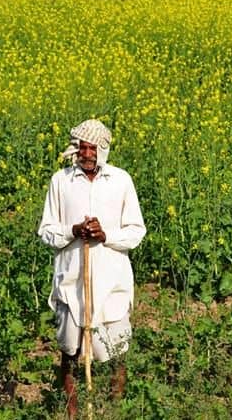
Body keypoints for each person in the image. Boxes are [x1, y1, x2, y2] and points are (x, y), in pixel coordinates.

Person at [37, 119, 146, 418]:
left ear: (103, 150)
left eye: (91, 148)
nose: (86, 153)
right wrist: (73, 230)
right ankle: (72, 412)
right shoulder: (61, 181)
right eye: (81, 147)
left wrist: (105, 235)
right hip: (71, 281)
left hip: (112, 283)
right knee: (69, 351)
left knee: (116, 352)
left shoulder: (122, 181)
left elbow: (136, 231)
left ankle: (114, 410)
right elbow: (46, 231)